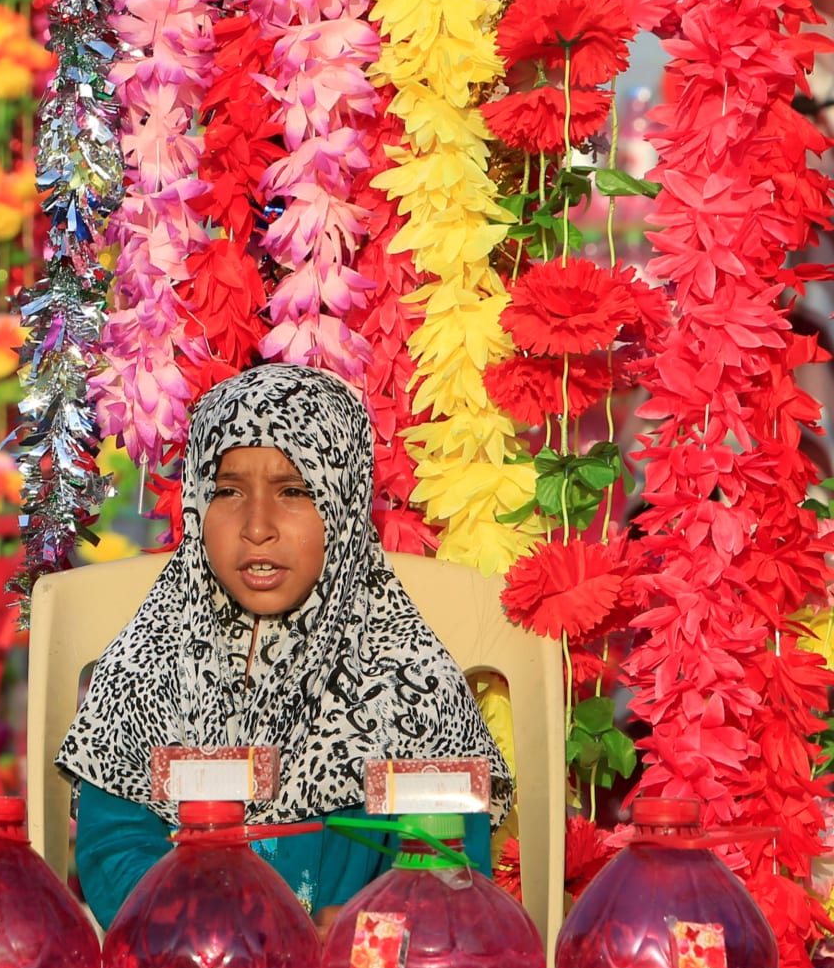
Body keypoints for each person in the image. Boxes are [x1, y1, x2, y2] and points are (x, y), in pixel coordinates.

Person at [56, 363, 512, 933]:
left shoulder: (410, 679)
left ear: (343, 505)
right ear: (197, 503)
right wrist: (203, 928)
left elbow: (451, 869)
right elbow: (113, 846)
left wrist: (360, 932)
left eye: (294, 490)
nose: (257, 525)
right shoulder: (148, 666)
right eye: (228, 491)